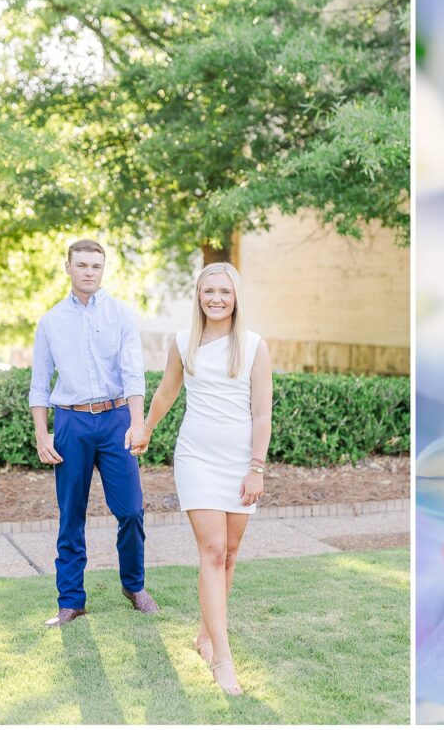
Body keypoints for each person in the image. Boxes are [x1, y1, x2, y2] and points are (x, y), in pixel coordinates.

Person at [133, 261, 272, 696]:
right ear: (198, 295)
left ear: (236, 298)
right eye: (208, 291)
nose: (216, 298)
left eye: (224, 292)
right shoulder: (182, 342)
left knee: (229, 554)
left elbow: (262, 413)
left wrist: (256, 467)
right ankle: (224, 661)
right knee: (212, 551)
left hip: (241, 463)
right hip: (196, 458)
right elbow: (166, 392)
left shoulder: (253, 346)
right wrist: (147, 429)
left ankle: (205, 635)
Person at [29, 239, 159, 627]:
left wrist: (137, 424)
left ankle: (134, 586)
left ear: (103, 270)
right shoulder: (51, 321)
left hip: (116, 418)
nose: (89, 272)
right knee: (71, 515)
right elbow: (39, 384)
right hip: (71, 423)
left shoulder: (120, 315)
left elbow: (134, 373)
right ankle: (71, 601)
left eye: (96, 266)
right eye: (82, 265)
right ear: (67, 267)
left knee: (131, 509)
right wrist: (42, 434)